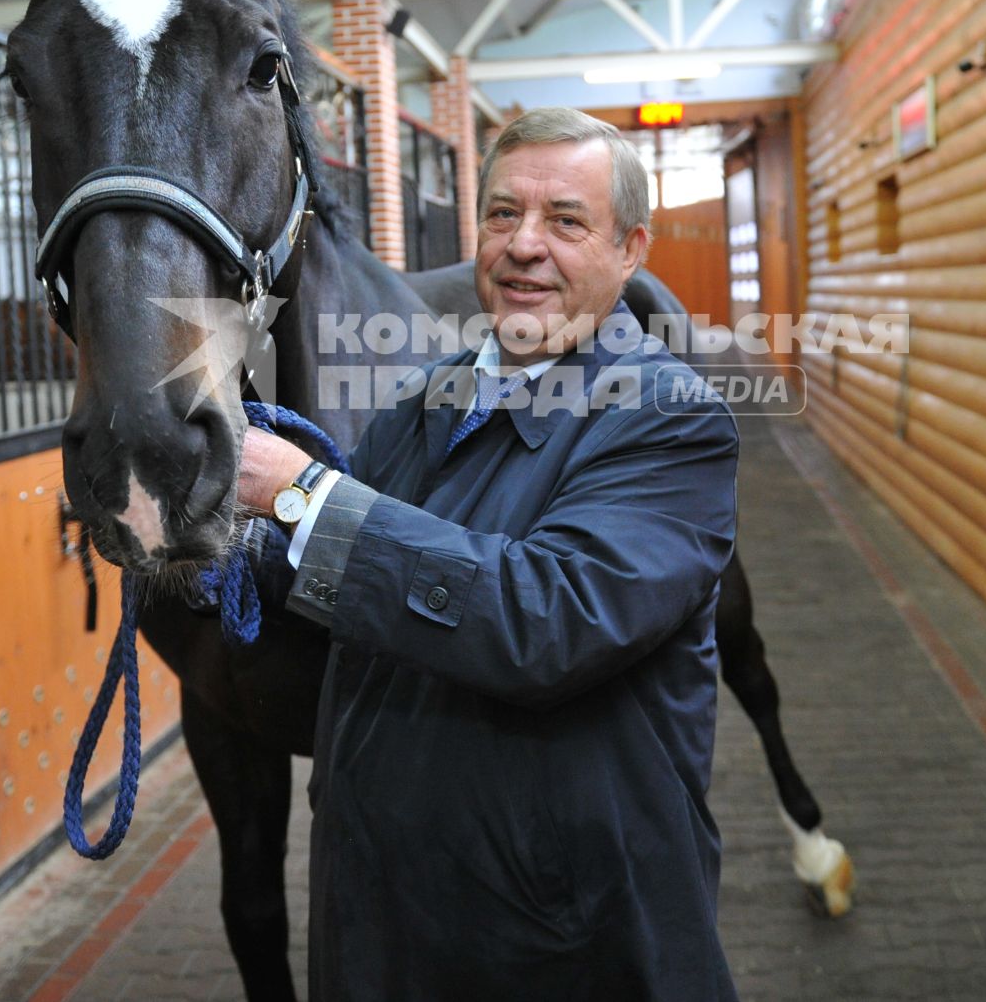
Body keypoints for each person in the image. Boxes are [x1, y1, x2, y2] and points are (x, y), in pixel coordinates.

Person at [237, 106, 740, 1001]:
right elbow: (354, 583)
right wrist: (222, 541)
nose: (524, 246)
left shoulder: (667, 418)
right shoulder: (427, 400)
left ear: (632, 250)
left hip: (552, 938)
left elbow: (545, 620)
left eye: (566, 220)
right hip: (384, 916)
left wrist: (302, 494)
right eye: (503, 214)